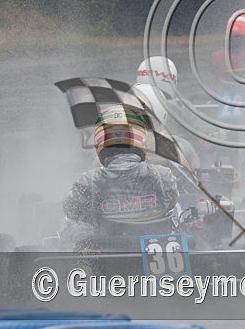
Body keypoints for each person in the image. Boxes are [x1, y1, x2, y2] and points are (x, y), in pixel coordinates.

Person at [57, 104, 180, 251]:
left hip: (107, 259)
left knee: (75, 237)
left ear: (102, 140)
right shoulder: (163, 176)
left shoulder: (88, 181)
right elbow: (171, 203)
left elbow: (71, 210)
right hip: (155, 256)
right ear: (140, 138)